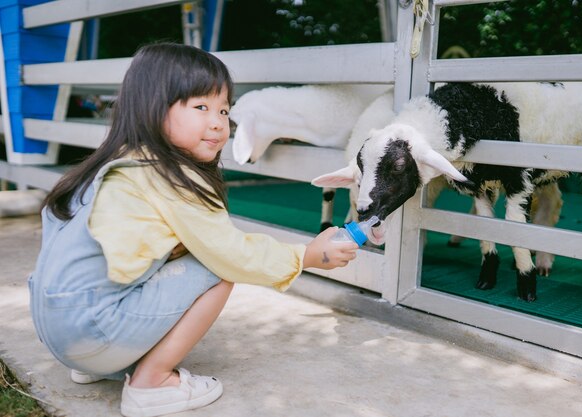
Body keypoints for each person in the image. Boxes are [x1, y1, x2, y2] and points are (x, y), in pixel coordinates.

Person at [28, 42, 358, 417]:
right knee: (216, 269)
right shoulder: (170, 176)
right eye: (201, 107)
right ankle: (151, 384)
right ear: (152, 107)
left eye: (224, 110)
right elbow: (231, 254)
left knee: (178, 253)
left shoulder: (115, 167)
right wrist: (307, 256)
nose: (218, 123)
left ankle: (100, 363)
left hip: (58, 334)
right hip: (94, 335)